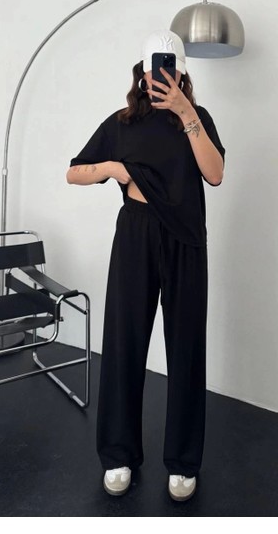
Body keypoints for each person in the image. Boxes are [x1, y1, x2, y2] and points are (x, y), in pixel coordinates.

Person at [66, 29, 225, 502]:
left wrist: (186, 112)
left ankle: (183, 462)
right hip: (136, 236)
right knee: (123, 344)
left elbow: (215, 174)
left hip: (185, 240)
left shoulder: (197, 118)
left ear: (182, 74)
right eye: (156, 70)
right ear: (142, 73)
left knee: (186, 348)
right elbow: (74, 171)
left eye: (171, 71)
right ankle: (118, 455)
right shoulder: (121, 123)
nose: (163, 78)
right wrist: (115, 169)